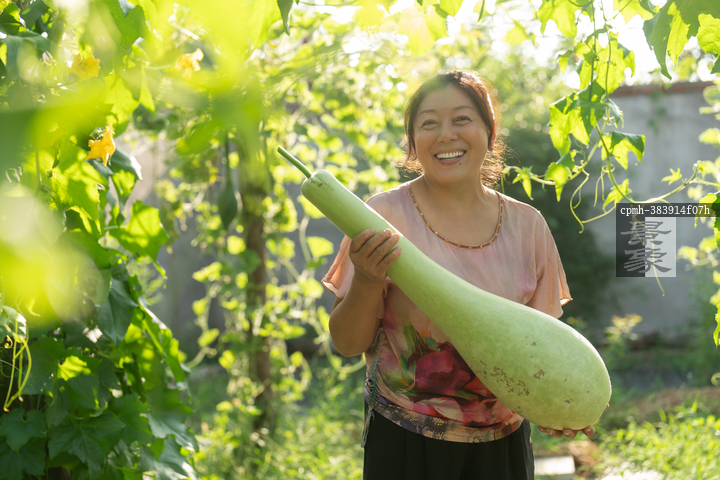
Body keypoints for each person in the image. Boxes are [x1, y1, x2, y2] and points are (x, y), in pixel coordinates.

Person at [322, 70, 595, 480]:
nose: (446, 135)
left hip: (503, 445)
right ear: (413, 142)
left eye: (462, 119)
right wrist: (366, 278)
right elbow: (347, 343)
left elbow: (539, 353)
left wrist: (559, 407)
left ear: (490, 132)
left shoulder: (529, 227)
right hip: (405, 441)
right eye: (429, 123)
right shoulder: (381, 217)